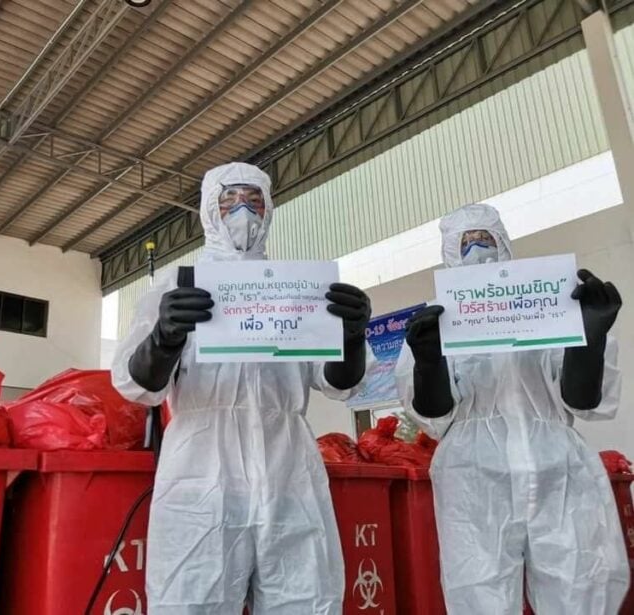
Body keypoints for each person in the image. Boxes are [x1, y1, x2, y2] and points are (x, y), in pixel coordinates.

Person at [112, 162, 373, 614]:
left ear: (269, 210)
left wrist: (350, 337)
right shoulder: (176, 286)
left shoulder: (299, 290)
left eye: (253, 200)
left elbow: (339, 383)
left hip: (288, 469)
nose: (242, 211)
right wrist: (165, 336)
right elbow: (136, 385)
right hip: (201, 473)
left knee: (305, 598)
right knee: (191, 601)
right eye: (229, 200)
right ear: (208, 212)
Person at [396, 203, 630, 614]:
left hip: (559, 465)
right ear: (449, 252)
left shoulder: (550, 304)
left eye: (485, 239)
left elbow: (582, 399)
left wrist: (589, 337)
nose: (477, 251)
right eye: (465, 243)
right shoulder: (436, 319)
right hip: (473, 473)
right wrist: (430, 360)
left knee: (581, 581)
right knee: (479, 589)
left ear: (504, 243)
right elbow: (434, 415)